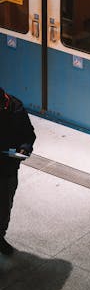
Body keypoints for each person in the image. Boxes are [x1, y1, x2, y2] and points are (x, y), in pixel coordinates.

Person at [0, 88, 36, 256]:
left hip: (7, 167)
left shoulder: (15, 107)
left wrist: (24, 149)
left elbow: (28, 134)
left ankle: (0, 237)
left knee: (4, 208)